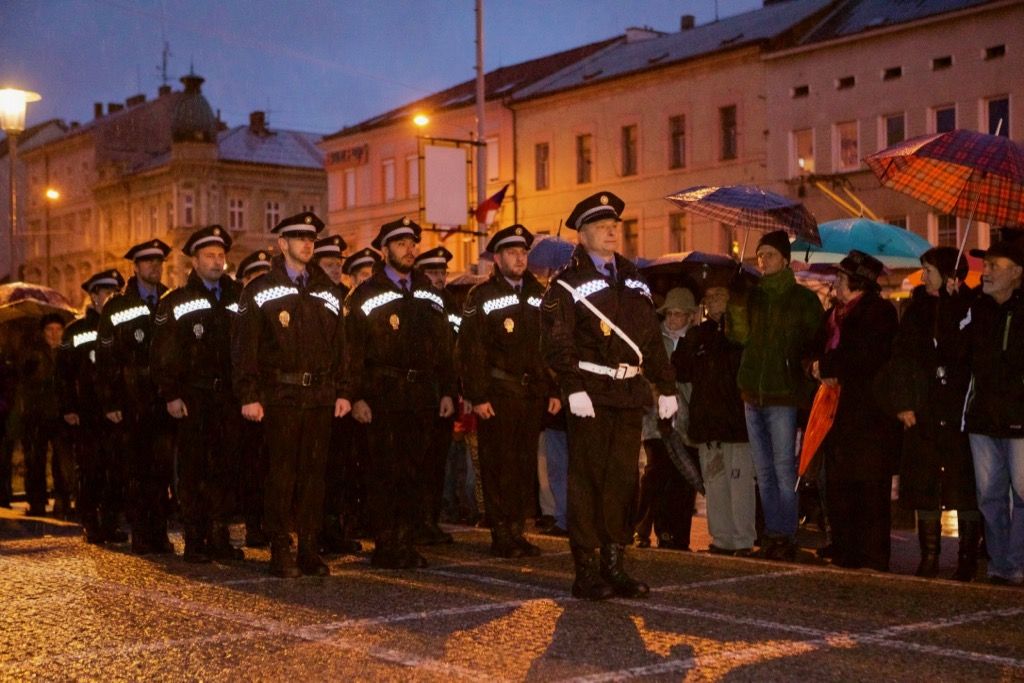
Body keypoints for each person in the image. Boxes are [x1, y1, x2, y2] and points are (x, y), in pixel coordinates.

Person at [541, 191, 677, 600]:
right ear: (582, 235)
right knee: (587, 481)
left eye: (614, 226)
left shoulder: (634, 277)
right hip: (591, 392)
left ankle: (614, 564)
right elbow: (556, 340)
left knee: (622, 481)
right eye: (601, 227)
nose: (611, 232)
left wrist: (665, 384)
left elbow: (650, 338)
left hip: (628, 393)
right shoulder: (566, 283)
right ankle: (586, 570)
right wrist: (571, 387)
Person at [233, 211, 351, 578]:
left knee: (314, 476)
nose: (307, 244)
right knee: (281, 476)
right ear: (282, 244)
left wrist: (343, 390)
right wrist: (248, 394)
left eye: (311, 238)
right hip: (280, 396)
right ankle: (280, 548)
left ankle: (310, 550)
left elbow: (341, 346)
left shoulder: (328, 290)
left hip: (318, 396)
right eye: (299, 238)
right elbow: (244, 347)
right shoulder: (258, 290)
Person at [345, 217, 456, 569]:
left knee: (414, 472)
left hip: (421, 393)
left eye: (412, 243)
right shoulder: (365, 294)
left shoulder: (428, 291)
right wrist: (356, 395)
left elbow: (444, 348)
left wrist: (447, 391)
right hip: (382, 394)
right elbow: (351, 350)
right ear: (384, 250)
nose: (410, 250)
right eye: (401, 244)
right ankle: (386, 543)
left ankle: (406, 541)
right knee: (383, 472)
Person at [458, 225, 560, 557]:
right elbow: (471, 349)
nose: (520, 259)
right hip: (498, 393)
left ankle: (518, 529)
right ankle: (501, 532)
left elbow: (551, 346)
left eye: (523, 253)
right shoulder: (481, 295)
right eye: (513, 253)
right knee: (498, 464)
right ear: (498, 257)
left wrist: (554, 389)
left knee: (522, 465)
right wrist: (477, 395)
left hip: (530, 394)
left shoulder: (540, 292)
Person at [151, 225, 244, 563]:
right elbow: (164, 352)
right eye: (210, 256)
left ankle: (219, 534)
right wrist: (171, 394)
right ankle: (195, 537)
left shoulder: (239, 297)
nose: (217, 262)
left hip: (229, 398)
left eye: (221, 256)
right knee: (194, 469)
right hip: (194, 398)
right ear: (195, 260)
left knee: (226, 466)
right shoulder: (176, 301)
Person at [887, 247, 980, 580]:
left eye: (929, 270)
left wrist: (958, 304)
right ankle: (929, 556)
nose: (923, 276)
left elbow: (969, 351)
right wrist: (903, 402)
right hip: (923, 410)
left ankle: (967, 557)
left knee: (964, 485)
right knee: (925, 482)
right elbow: (901, 359)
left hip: (959, 412)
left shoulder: (969, 306)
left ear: (948, 274)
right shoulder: (915, 310)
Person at [731, 229, 823, 560]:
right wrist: (738, 297)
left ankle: (786, 535)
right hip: (752, 393)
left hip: (783, 393)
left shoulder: (803, 300)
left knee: (784, 469)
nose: (763, 260)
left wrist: (801, 367)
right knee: (764, 470)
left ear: (785, 259)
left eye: (769, 254)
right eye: (760, 255)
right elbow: (739, 336)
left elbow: (815, 340)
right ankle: (772, 533)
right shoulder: (753, 295)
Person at [808, 250, 900, 572]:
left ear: (855, 282)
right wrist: (815, 367)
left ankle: (872, 555)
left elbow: (866, 355)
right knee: (840, 484)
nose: (836, 282)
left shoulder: (879, 312)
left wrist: (828, 365)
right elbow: (812, 349)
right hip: (835, 412)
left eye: (841, 277)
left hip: (868, 414)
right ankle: (845, 548)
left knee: (869, 487)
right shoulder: (834, 314)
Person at [96, 238, 175, 555]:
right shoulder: (118, 305)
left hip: (163, 398)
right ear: (136, 267)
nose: (154, 267)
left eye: (159, 262)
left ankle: (160, 531)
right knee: (136, 471)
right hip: (132, 399)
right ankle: (142, 533)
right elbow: (106, 357)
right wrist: (110, 400)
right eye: (148, 262)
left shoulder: (169, 299)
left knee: (162, 470)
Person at [675, 285, 756, 556]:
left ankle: (742, 538)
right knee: (715, 483)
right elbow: (681, 369)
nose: (711, 300)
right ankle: (722, 538)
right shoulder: (698, 335)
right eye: (708, 297)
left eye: (718, 295)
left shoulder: (741, 331)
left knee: (739, 481)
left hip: (736, 422)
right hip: (708, 422)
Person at [963, 238, 1024, 585]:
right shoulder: (978, 307)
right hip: (983, 416)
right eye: (985, 266)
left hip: (1018, 416)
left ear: (1016, 272)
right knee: (990, 495)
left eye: (994, 266)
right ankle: (1000, 564)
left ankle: (1016, 562)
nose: (985, 272)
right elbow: (959, 353)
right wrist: (958, 302)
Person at [58, 269, 127, 543]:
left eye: (114, 293)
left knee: (116, 470)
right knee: (90, 469)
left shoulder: (122, 326)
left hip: (117, 412)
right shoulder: (76, 330)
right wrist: (68, 407)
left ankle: (110, 522)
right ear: (93, 296)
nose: (110, 298)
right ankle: (90, 522)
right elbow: (63, 374)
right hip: (88, 412)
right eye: (106, 293)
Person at [633, 287, 699, 550]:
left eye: (679, 314)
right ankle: (645, 527)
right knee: (655, 473)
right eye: (669, 313)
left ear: (691, 316)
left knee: (682, 479)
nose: (672, 319)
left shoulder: (695, 340)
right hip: (655, 420)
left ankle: (676, 534)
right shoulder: (654, 339)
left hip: (685, 421)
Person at [311, 234, 362, 557]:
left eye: (338, 265)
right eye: (328, 264)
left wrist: (351, 392)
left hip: (341, 397)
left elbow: (353, 350)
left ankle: (337, 529)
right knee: (316, 470)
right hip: (315, 395)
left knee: (342, 469)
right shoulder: (311, 295)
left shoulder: (346, 297)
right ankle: (315, 532)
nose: (334, 270)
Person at [413, 245, 459, 545]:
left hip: (443, 391)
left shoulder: (452, 304)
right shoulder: (417, 303)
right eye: (433, 272)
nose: (439, 278)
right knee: (417, 462)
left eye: (442, 272)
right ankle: (416, 521)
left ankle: (430, 520)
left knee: (436, 464)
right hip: (418, 392)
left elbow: (454, 353)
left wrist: (452, 391)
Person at [233, 248, 273, 548]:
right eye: (254, 277)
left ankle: (270, 523)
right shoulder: (238, 309)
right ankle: (253, 524)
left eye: (264, 276)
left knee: (273, 467)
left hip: (274, 397)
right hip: (244, 399)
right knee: (249, 466)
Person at [20, 313, 70, 516]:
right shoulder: (32, 352)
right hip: (37, 414)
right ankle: (37, 502)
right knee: (35, 460)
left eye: (58, 329)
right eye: (50, 330)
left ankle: (62, 500)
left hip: (61, 413)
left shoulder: (67, 351)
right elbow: (25, 378)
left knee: (62, 461)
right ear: (43, 332)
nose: (54, 334)